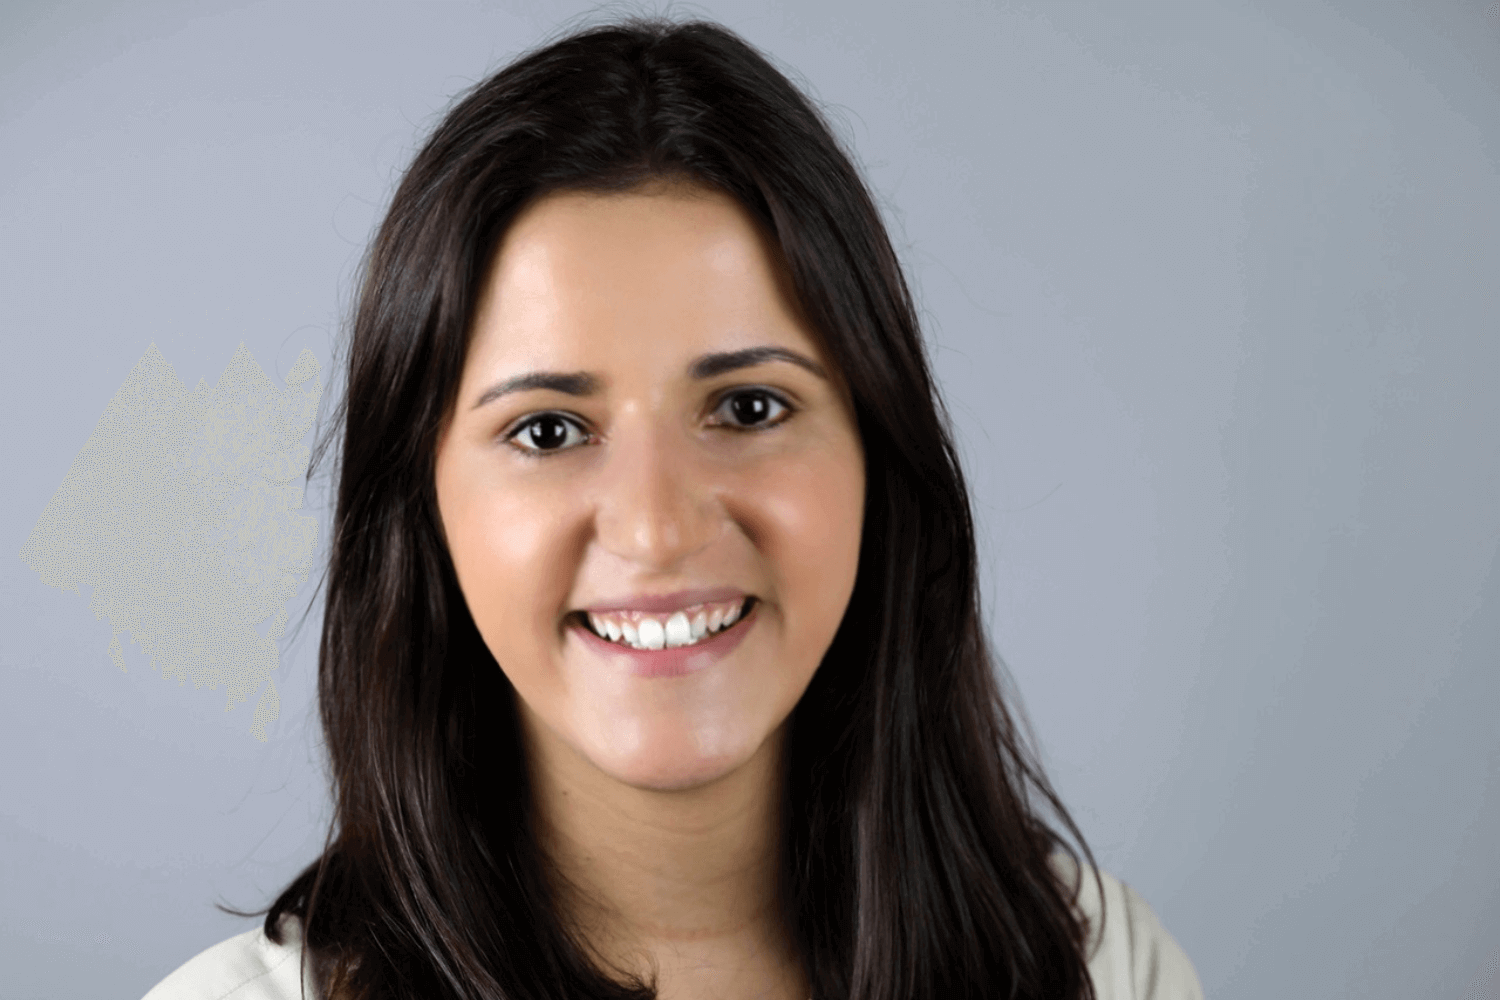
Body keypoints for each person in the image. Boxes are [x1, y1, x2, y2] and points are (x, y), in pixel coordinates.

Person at [143, 16, 1203, 1000]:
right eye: (549, 430)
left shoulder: (1104, 967)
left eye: (748, 407)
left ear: (880, 452)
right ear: (419, 506)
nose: (655, 528)